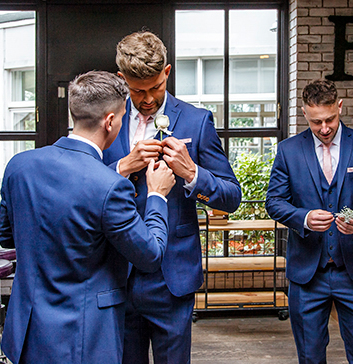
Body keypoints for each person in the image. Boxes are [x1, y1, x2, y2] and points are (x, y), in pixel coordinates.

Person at [0, 71, 175, 363]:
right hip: (83, 337)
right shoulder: (109, 185)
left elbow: (7, 236)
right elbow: (151, 255)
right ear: (110, 121)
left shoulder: (19, 166)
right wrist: (157, 195)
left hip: (27, 332)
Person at [102, 30, 243, 363]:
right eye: (138, 91)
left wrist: (192, 172)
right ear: (122, 80)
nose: (148, 99)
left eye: (156, 87)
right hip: (115, 275)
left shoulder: (197, 120)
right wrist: (122, 166)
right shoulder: (106, 120)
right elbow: (84, 187)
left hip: (172, 277)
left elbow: (232, 196)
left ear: (167, 72)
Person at [266, 79, 353, 363]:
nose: (324, 128)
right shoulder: (288, 151)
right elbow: (273, 203)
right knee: (310, 357)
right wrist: (304, 218)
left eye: (330, 119)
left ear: (340, 107)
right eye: (316, 122)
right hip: (306, 274)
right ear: (304, 114)